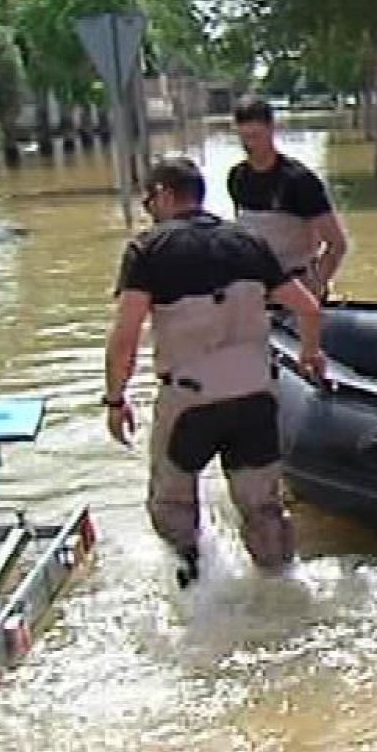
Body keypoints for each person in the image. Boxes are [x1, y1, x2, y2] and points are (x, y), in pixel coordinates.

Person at [104, 158, 327, 588]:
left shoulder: (147, 250)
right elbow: (308, 309)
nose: (149, 209)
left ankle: (194, 588)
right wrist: (311, 354)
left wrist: (115, 400)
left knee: (172, 504)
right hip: (255, 396)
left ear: (166, 195)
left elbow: (125, 336)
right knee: (263, 510)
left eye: (150, 200)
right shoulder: (248, 242)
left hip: (190, 400)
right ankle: (283, 590)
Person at [228, 96, 350, 300]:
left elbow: (337, 243)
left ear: (272, 129)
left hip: (297, 285)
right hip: (255, 289)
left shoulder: (299, 180)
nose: (249, 145)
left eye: (255, 136)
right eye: (244, 137)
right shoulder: (237, 177)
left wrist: (316, 286)